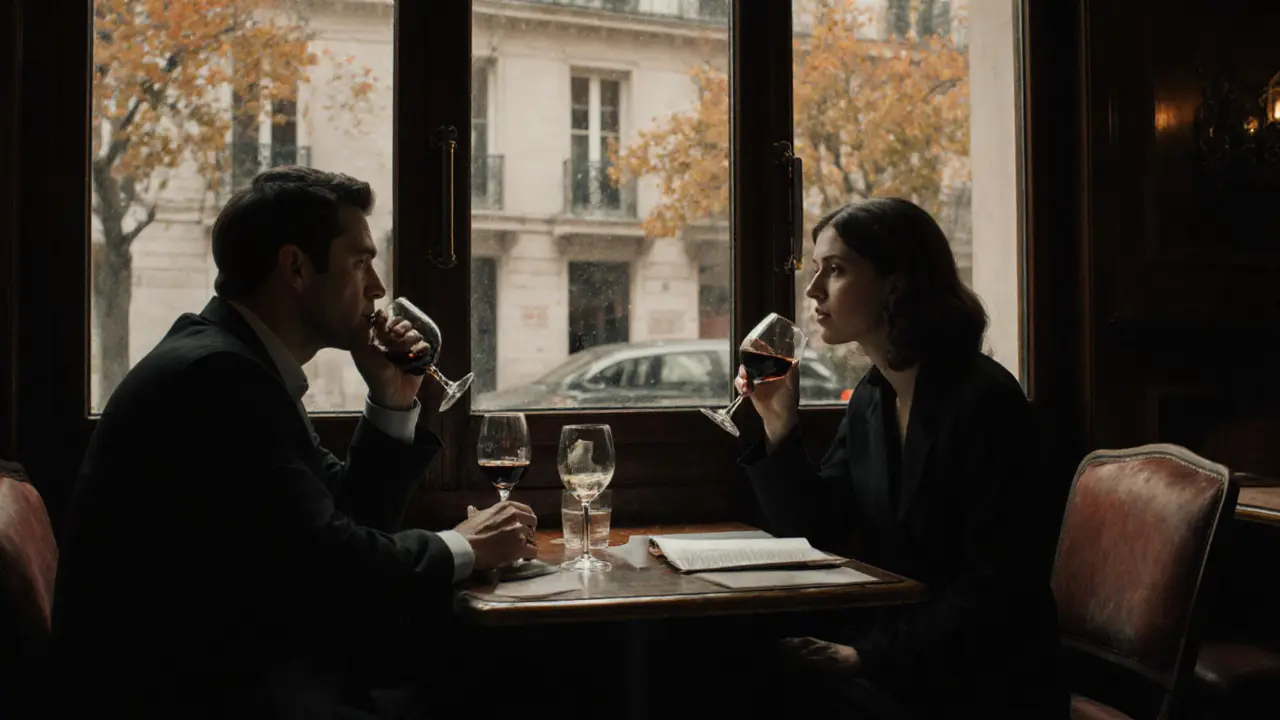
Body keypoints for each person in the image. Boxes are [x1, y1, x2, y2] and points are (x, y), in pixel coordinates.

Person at [52, 167, 538, 718]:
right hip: (194, 693)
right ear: (296, 268)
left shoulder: (239, 362)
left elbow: (345, 516)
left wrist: (393, 395)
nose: (377, 288)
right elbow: (328, 567)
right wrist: (466, 545)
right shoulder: (218, 378)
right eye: (360, 262)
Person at [739, 198, 1066, 718]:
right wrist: (780, 425)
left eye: (836, 269)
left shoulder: (984, 401)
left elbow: (998, 588)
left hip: (986, 678)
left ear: (897, 284)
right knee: (739, 659)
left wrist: (864, 656)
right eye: (816, 268)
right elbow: (819, 528)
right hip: (909, 656)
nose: (813, 289)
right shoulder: (873, 396)